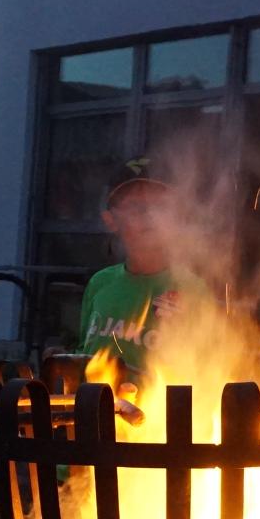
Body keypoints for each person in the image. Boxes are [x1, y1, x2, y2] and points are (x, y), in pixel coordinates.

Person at [77, 159, 185, 387]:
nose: (151, 216)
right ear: (110, 220)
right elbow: (84, 355)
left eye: (161, 206)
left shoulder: (192, 290)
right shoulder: (100, 283)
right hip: (93, 416)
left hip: (153, 419)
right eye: (137, 207)